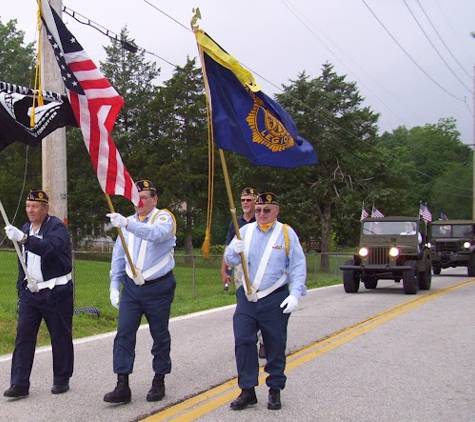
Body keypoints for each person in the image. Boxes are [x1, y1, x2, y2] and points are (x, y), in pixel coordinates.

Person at [224, 192, 307, 411]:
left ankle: (275, 390)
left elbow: (298, 266)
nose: (261, 214)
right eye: (259, 210)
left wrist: (295, 294)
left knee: (275, 345)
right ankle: (247, 390)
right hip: (247, 297)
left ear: (276, 211)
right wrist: (233, 251)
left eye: (267, 210)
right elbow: (230, 260)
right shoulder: (244, 231)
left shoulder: (286, 234)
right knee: (243, 341)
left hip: (275, 297)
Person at [103, 179, 177, 404]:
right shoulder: (126, 223)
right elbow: (119, 255)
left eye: (144, 197)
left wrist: (127, 224)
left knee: (159, 334)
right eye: (136, 197)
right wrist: (115, 285)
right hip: (132, 289)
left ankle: (159, 379)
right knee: (124, 334)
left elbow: (156, 234)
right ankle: (122, 384)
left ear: (154, 199)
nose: (139, 201)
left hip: (158, 287)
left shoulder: (163, 217)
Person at [3, 188, 74, 398]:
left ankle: (61, 379)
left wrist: (24, 239)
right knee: (23, 337)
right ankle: (19, 383)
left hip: (56, 292)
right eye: (28, 206)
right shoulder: (26, 228)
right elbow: (21, 261)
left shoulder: (57, 228)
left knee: (60, 336)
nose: (30, 210)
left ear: (45, 208)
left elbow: (49, 249)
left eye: (35, 206)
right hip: (30, 294)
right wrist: (21, 290)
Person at [220, 188, 266, 359]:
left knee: (260, 303)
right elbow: (229, 248)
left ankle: (263, 340)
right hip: (240, 268)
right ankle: (249, 338)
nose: (245, 203)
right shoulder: (236, 222)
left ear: (255, 202)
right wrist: (224, 269)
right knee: (245, 303)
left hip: (258, 267)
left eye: (249, 200)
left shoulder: (261, 218)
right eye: (243, 200)